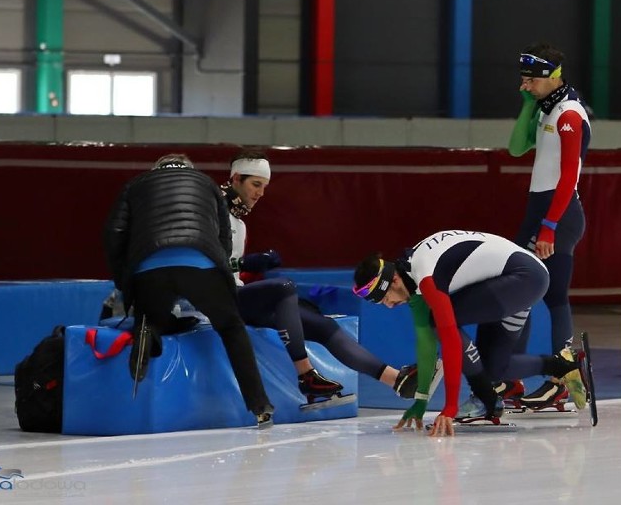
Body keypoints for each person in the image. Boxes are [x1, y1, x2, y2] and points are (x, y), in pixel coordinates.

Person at [222, 151, 420, 405]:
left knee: (322, 324)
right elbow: (205, 264)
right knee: (284, 288)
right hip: (218, 299)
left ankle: (396, 380)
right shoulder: (213, 213)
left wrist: (244, 265)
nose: (260, 193)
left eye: (265, 187)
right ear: (236, 178)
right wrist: (244, 263)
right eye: (256, 185)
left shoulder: (239, 222)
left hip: (236, 294)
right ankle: (306, 376)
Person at [353, 230, 589, 437]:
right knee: (495, 369)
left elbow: (450, 341)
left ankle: (486, 399)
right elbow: (426, 345)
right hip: (514, 277)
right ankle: (563, 365)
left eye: (385, 299)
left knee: (440, 322)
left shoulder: (425, 277)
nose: (390, 306)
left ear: (393, 280)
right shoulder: (410, 278)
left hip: (524, 277)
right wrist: (421, 401)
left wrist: (450, 408)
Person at [102, 153, 274, 427]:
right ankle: (259, 405)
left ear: (155, 171)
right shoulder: (206, 183)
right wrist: (222, 280)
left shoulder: (135, 185)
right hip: (200, 263)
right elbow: (223, 236)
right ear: (189, 170)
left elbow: (115, 233)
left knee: (151, 314)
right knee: (231, 327)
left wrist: (126, 284)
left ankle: (147, 328)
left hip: (150, 267)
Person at [508, 43, 592, 410]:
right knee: (518, 293)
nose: (524, 86)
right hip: (538, 211)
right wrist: (528, 104)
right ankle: (509, 378)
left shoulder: (569, 112)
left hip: (557, 214)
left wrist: (549, 227)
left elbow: (569, 174)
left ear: (552, 76)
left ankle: (562, 381)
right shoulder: (546, 107)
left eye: (530, 81)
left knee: (553, 297)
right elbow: (514, 149)